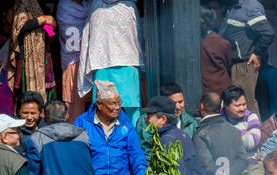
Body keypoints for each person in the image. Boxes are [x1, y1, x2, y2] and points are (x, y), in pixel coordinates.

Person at [77, 0, 144, 128]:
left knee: (103, 109)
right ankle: (134, 140)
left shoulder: (96, 7)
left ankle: (102, 141)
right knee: (131, 111)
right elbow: (138, 37)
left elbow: (87, 39)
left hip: (102, 63)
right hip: (128, 64)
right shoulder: (129, 7)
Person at [221, 0, 274, 118]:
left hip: (244, 65)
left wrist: (257, 53)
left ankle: (256, 133)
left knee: (245, 102)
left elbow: (268, 33)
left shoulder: (251, 6)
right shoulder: (235, 6)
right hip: (234, 65)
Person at [8, 0, 55, 102]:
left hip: (43, 54)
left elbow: (52, 24)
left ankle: (44, 115)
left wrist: (52, 22)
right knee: (29, 96)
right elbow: (19, 28)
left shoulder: (42, 4)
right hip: (28, 57)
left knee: (47, 91)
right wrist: (41, 19)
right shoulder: (22, 3)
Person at [136, 81, 198, 152]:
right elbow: (146, 150)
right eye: (173, 103)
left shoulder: (192, 123)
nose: (178, 106)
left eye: (180, 102)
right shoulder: (146, 120)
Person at [56, 0, 90, 119]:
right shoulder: (65, 6)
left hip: (92, 61)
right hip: (73, 61)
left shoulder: (88, 4)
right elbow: (72, 41)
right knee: (75, 109)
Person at [201, 6, 233, 98]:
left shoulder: (196, 42)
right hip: (222, 88)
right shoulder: (223, 43)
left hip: (205, 90)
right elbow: (228, 64)